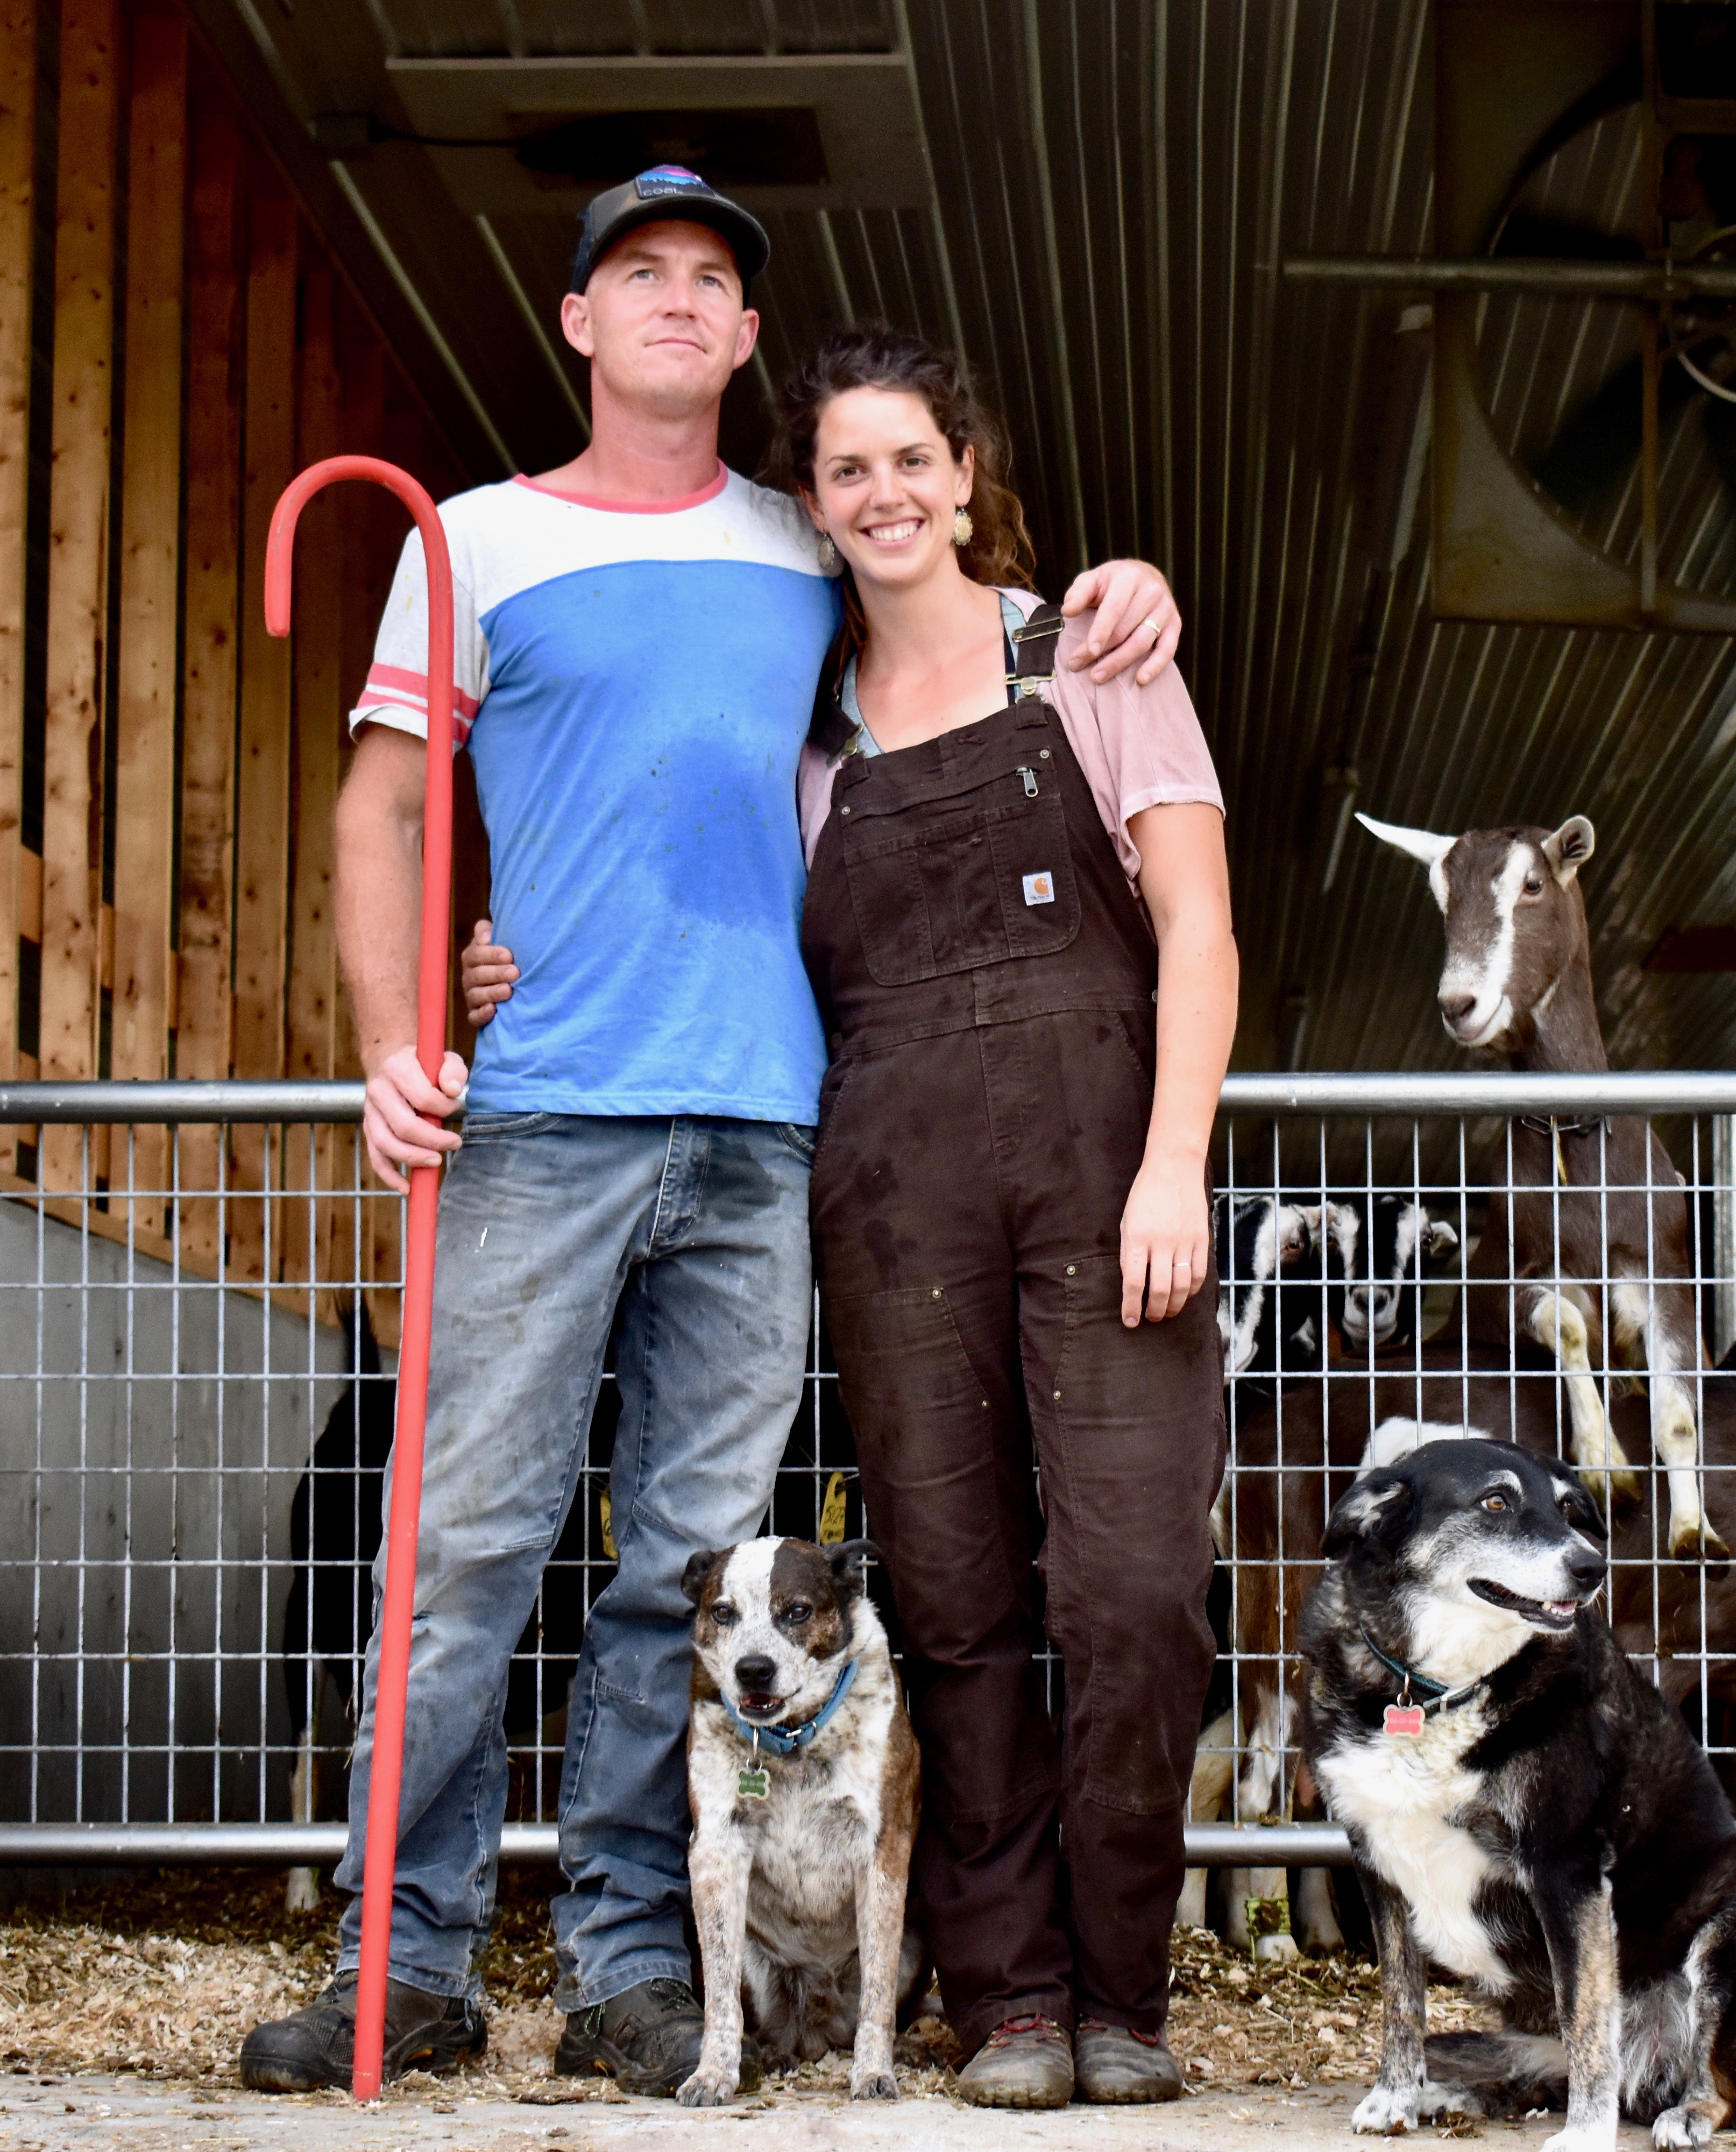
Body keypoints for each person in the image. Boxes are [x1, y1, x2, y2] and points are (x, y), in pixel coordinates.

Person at [235, 166, 1184, 2097]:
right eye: (636, 274)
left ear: (747, 339)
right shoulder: (471, 543)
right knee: (468, 1547)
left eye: (714, 281)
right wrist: (403, 1030)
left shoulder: (807, 543)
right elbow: (379, 815)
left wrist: (1128, 585)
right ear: (577, 321)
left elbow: (967, 611)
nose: (677, 301)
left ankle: (628, 1963)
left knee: (683, 1573)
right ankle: (400, 1963)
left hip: (769, 1133)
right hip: (545, 1115)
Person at [464, 323, 1236, 2109]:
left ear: (964, 475)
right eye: (846, 471)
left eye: (913, 460)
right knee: (955, 1606)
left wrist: (1176, 1162)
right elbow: (673, 893)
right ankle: (1011, 2006)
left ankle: (1127, 1995)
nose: (885, 495)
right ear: (810, 508)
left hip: (1112, 1183)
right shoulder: (802, 742)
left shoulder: (1095, 660)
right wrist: (505, 966)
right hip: (891, 1204)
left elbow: (1198, 926)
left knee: (1129, 1592)